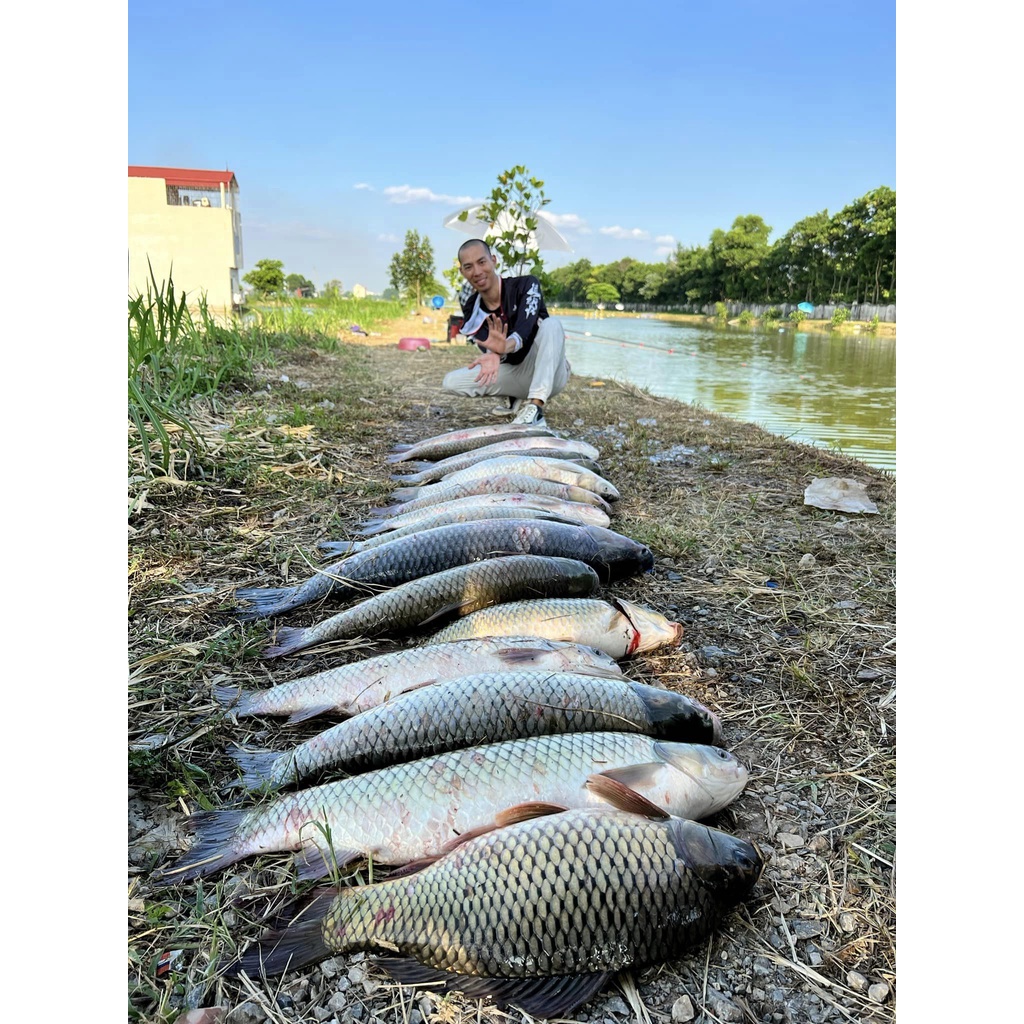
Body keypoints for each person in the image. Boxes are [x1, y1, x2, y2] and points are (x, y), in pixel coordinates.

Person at [442, 239, 570, 425]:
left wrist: (505, 346)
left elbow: (525, 327)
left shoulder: (526, 284)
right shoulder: (472, 306)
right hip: (517, 374)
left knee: (552, 325)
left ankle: (535, 409)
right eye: (468, 267)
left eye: (482, 262)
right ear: (462, 271)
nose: (477, 272)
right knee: (451, 382)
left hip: (550, 374)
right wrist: (495, 354)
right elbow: (488, 343)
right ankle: (513, 397)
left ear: (493, 260)